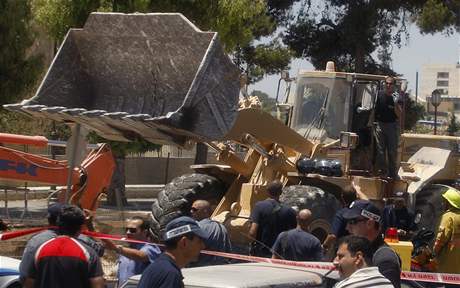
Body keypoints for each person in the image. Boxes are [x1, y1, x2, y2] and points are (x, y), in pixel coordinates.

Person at [19, 203, 104, 283]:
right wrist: (90, 226)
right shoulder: (82, 240)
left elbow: (25, 276)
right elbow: (100, 250)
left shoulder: (35, 241)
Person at [344, 200, 401, 288]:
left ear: (369, 223)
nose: (347, 227)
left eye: (352, 222)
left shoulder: (385, 258)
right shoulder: (359, 251)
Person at [138, 216, 207, 288]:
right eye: (199, 241)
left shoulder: (158, 268)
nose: (203, 246)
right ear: (184, 242)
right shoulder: (170, 274)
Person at [102, 216, 161, 287]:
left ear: (144, 232)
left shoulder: (151, 247)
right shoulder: (125, 251)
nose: (128, 232)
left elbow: (141, 256)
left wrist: (116, 248)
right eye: (126, 229)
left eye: (132, 230)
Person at [249, 180, 297, 257]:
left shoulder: (259, 206)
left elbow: (252, 232)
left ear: (267, 191)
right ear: (281, 192)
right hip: (279, 254)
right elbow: (294, 234)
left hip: (261, 253)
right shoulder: (290, 211)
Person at [374, 76, 402, 179]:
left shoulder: (397, 97)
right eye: (387, 83)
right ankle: (383, 172)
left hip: (391, 126)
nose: (388, 85)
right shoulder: (379, 95)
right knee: (380, 151)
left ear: (394, 85)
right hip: (380, 124)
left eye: (390, 84)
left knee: (391, 151)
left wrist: (395, 103)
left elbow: (399, 115)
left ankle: (393, 174)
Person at [190, 200, 232, 266]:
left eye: (194, 209)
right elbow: (228, 252)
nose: (191, 211)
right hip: (220, 268)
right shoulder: (222, 227)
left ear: (205, 211)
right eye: (191, 209)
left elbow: (191, 255)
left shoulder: (196, 227)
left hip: (200, 270)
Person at [433, 188, 460, 278]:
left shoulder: (448, 216)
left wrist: (433, 255)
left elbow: (440, 239)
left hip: (448, 267)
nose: (443, 203)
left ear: (449, 202)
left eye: (445, 201)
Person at [322, 187, 357, 256]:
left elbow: (332, 236)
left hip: (343, 249)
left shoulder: (341, 214)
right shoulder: (360, 213)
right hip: (356, 248)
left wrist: (324, 246)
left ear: (342, 197)